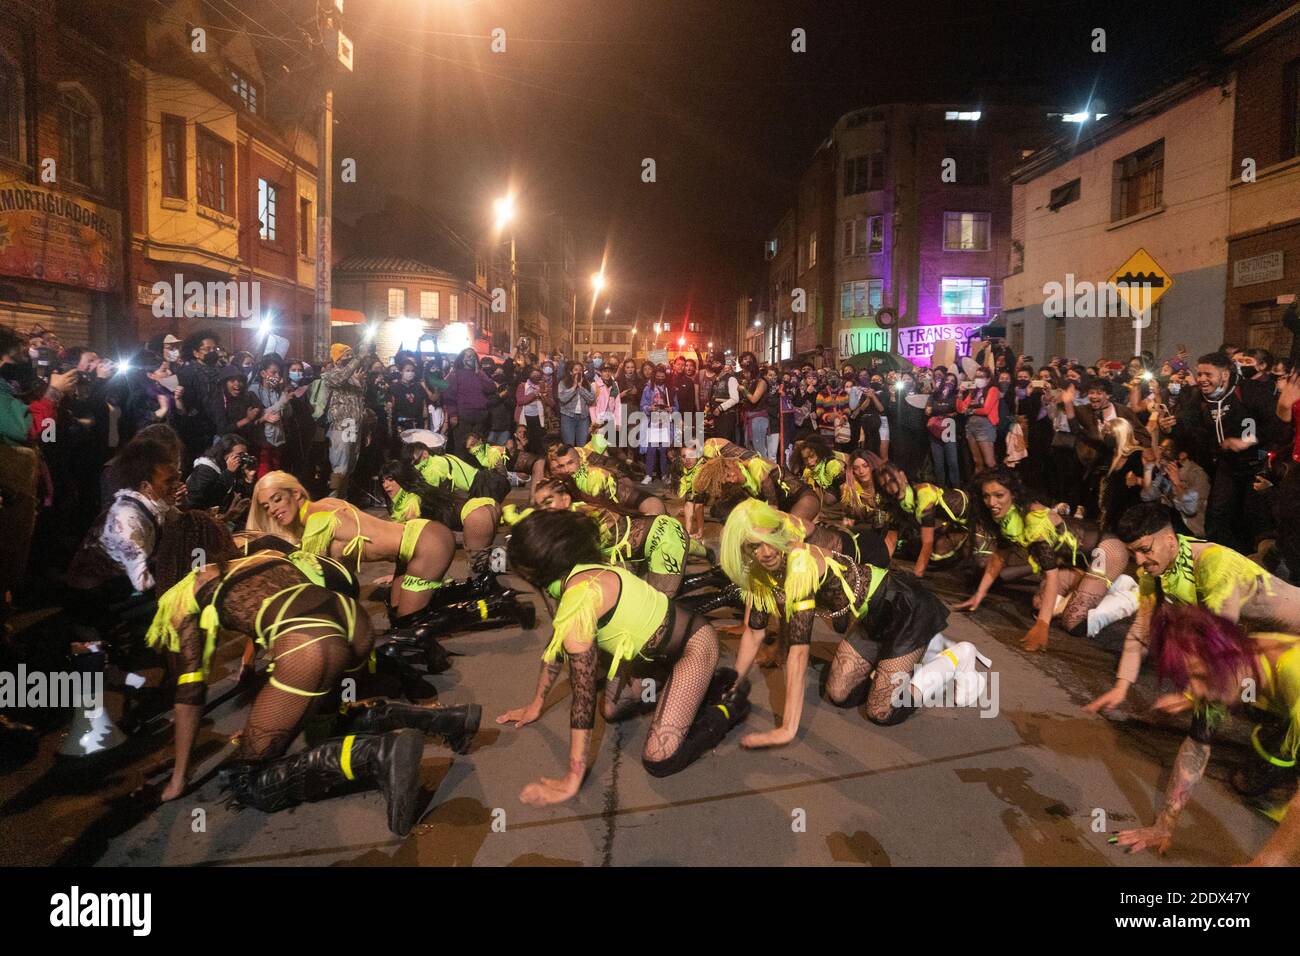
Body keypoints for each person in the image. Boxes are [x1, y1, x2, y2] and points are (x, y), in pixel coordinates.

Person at [145, 547, 480, 834]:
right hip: (350, 619)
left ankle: (379, 755)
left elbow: (190, 692)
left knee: (246, 780)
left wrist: (179, 776)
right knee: (324, 724)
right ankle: (448, 720)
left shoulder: (184, 593)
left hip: (308, 640)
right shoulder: (260, 556)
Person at [496, 510, 749, 800]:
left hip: (694, 646)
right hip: (650, 657)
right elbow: (555, 646)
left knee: (659, 759)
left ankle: (728, 705)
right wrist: (536, 704)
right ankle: (691, 685)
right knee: (612, 711)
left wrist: (572, 778)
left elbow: (583, 695)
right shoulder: (568, 576)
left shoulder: (580, 598)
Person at [720, 499, 950, 744]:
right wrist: (731, 688)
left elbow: (798, 653)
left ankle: (950, 660)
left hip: (906, 609)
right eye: (754, 546)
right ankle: (893, 663)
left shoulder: (799, 563)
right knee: (839, 694)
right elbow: (754, 634)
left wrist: (787, 729)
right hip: (870, 621)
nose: (765, 553)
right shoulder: (759, 572)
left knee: (880, 711)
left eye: (769, 541)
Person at [1109, 604, 1300, 864]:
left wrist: (1264, 863)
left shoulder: (1292, 671)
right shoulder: (1227, 666)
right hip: (1284, 710)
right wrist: (1164, 824)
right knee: (1252, 780)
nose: (1194, 691)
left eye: (1200, 677)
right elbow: (1197, 747)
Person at [1086, 502, 1300, 714]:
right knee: (1246, 698)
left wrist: (1190, 695)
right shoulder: (1155, 574)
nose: (1139, 560)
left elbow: (1220, 641)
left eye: (1144, 550)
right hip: (1265, 640)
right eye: (1133, 554)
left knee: (1229, 684)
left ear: (1170, 540)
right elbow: (1141, 632)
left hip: (1290, 635)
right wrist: (1121, 687)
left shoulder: (1213, 562)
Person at [957, 467, 1131, 651]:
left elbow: (1051, 576)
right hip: (1076, 563)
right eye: (986, 496)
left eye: (999, 495)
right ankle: (1093, 584)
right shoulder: (1007, 516)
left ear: (1013, 494)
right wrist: (978, 595)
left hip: (1106, 550)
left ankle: (1124, 595)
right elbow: (999, 557)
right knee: (1039, 604)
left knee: (1072, 622)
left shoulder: (1034, 519)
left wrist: (1042, 625)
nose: (992, 502)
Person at [526, 477, 701, 595]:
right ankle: (706, 559)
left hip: (664, 539)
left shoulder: (581, 516)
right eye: (538, 505)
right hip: (631, 553)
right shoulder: (563, 518)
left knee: (661, 608)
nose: (542, 509)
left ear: (565, 500)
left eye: (548, 502)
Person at [874, 461, 976, 578]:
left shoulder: (924, 494)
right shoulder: (898, 504)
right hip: (952, 526)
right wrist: (878, 569)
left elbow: (927, 542)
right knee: (935, 551)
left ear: (903, 476)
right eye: (885, 485)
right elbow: (891, 538)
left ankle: (969, 546)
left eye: (892, 480)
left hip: (973, 516)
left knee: (981, 561)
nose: (891, 487)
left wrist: (916, 576)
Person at [185, 433, 257, 518]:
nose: (242, 459)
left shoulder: (234, 469)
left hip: (224, 517)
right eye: (239, 455)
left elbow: (242, 499)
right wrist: (228, 473)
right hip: (201, 518)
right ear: (224, 453)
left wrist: (249, 480)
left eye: (244, 455)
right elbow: (205, 499)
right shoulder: (205, 469)